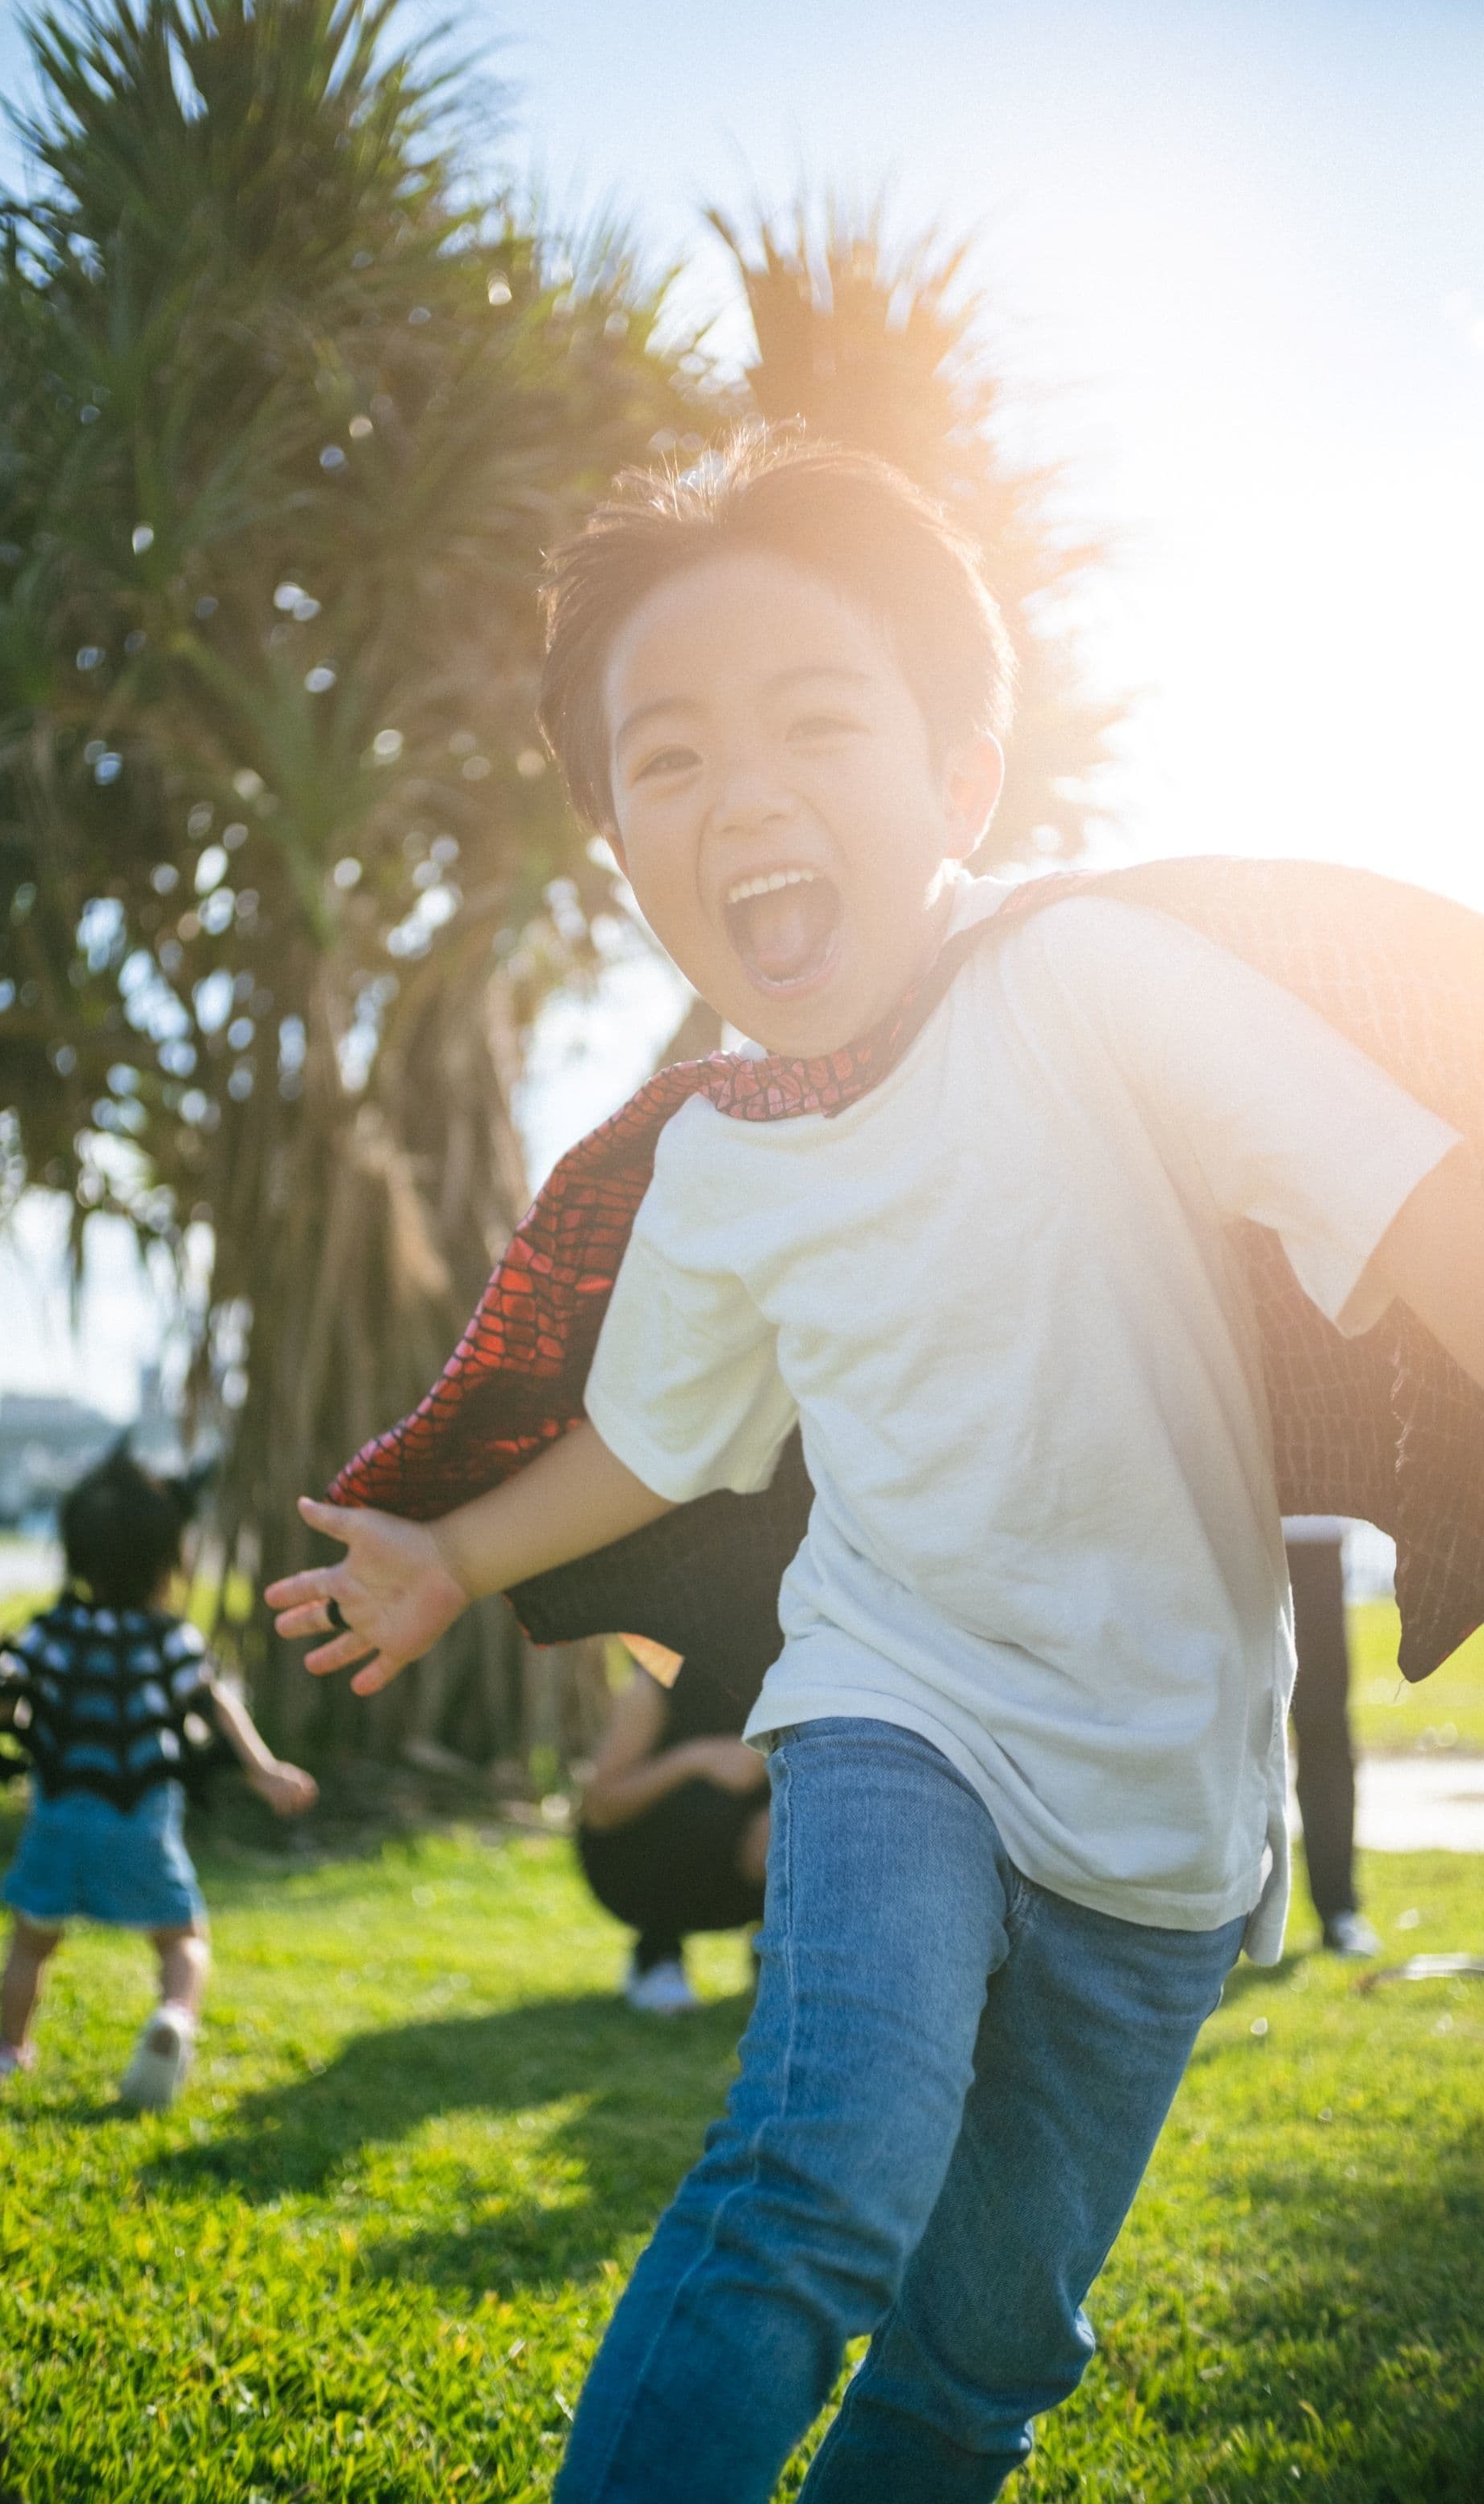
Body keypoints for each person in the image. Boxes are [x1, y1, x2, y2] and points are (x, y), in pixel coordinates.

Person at [265, 434, 1484, 2502]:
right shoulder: (715, 1162)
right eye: (668, 757)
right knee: (813, 2179)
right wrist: (454, 1556)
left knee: (989, 2348)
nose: (742, 792)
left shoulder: (1092, 980)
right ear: (624, 853)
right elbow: (657, 1434)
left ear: (959, 777)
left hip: (1168, 1804)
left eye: (814, 720)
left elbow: (1410, 1202)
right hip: (890, 1709)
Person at [0, 1443, 315, 2109]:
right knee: (182, 1940)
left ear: (77, 1552)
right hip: (141, 1823)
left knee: (31, 1945)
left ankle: (7, 2051)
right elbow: (215, 1703)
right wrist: (264, 1770)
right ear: (168, 1558)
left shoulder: (51, 1632)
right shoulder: (171, 1640)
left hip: (58, 1819)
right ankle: (175, 2018)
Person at [579, 1635, 769, 2013]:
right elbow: (600, 1808)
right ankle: (657, 1954)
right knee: (706, 1806)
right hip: (638, 1857)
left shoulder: (807, 1671)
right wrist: (695, 1759)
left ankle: (780, 1957)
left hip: (755, 1853)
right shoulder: (662, 1671)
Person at [1284, 1517, 1380, 1957]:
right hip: (1219, 1522)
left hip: (1310, 1534)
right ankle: (1214, 1917)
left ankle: (1339, 1909)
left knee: (1324, 1729)